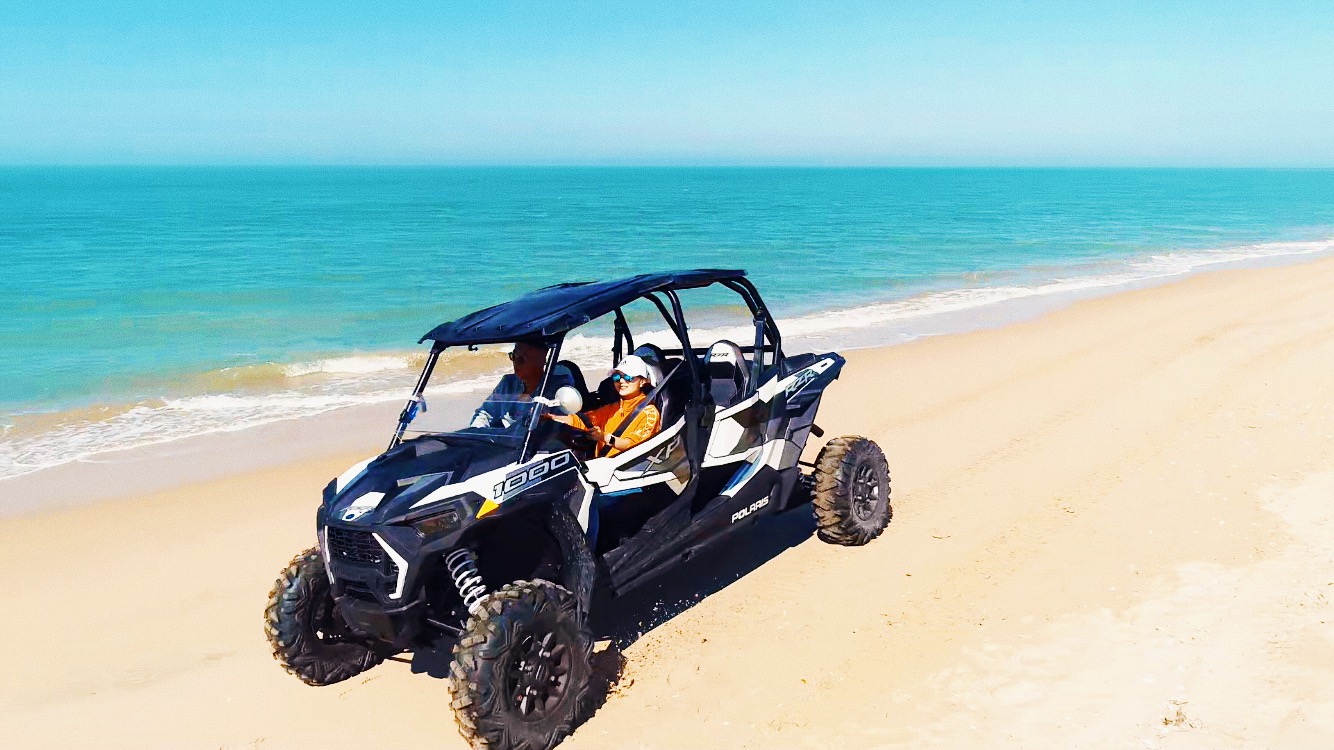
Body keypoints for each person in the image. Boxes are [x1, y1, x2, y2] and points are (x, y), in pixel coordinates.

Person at [550, 354, 661, 457]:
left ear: (642, 382)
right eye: (617, 377)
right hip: (603, 467)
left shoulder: (649, 413)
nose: (621, 381)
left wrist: (604, 437)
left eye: (628, 377)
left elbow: (630, 444)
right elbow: (582, 420)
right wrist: (552, 418)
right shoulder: (612, 409)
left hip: (629, 469)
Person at [470, 341, 576, 430]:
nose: (515, 363)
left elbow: (561, 426)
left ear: (540, 361)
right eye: (513, 356)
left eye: (521, 359)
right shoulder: (507, 384)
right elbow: (485, 414)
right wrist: (474, 437)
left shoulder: (558, 389)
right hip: (504, 444)